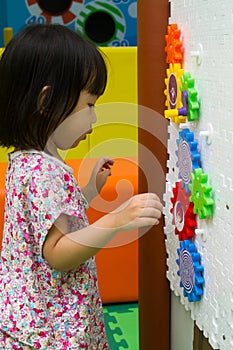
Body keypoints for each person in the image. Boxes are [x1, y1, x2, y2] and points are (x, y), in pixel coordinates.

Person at [0, 24, 163, 349]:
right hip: (53, 327)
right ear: (47, 101)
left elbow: (52, 226)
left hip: (27, 317)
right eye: (89, 105)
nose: (94, 118)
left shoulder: (23, 161)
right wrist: (117, 220)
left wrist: (87, 191)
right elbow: (57, 253)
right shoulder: (44, 171)